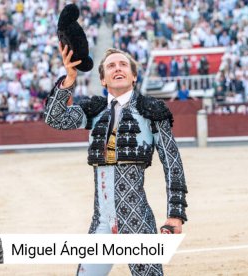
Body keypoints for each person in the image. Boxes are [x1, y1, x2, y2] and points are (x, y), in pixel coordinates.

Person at [44, 44, 188, 276]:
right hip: (101, 221)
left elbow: (172, 162)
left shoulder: (151, 111)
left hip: (137, 221)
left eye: (123, 65)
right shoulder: (94, 111)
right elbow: (54, 118)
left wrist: (175, 213)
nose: (117, 68)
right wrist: (70, 77)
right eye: (111, 66)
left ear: (134, 76)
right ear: (102, 79)